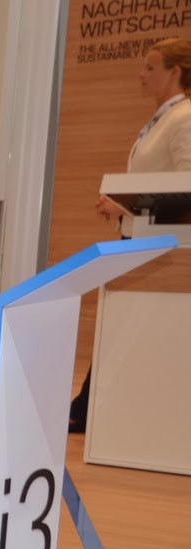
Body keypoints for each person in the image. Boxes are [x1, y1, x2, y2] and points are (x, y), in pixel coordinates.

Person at [76, 38, 191, 431]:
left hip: (160, 246)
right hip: (140, 238)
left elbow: (184, 190)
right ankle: (90, 409)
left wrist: (125, 207)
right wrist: (123, 207)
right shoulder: (162, 119)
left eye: (150, 67)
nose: (142, 75)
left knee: (125, 331)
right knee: (119, 328)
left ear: (175, 72)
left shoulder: (183, 118)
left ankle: (91, 410)